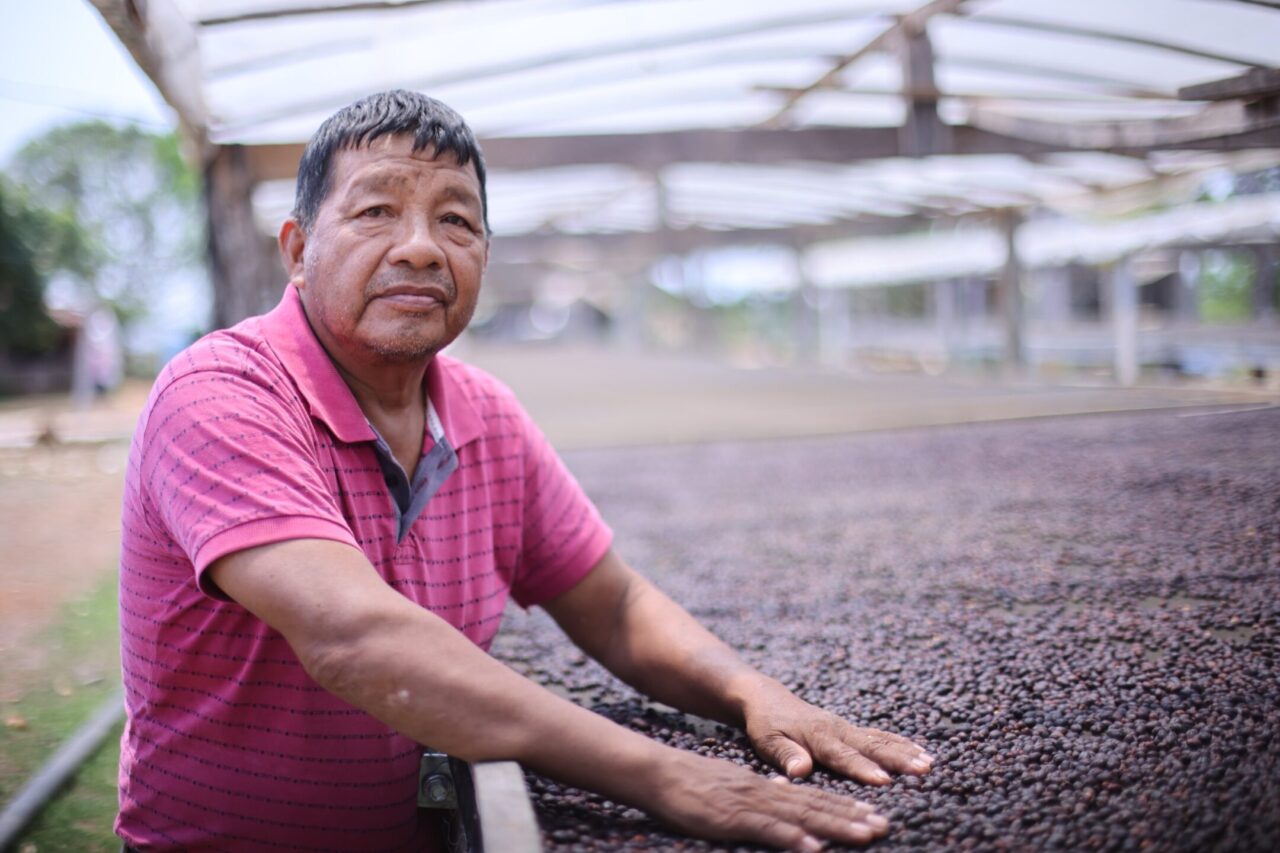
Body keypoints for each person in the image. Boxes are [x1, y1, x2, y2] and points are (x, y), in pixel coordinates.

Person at [116, 90, 932, 852]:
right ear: (298, 249)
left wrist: (750, 690)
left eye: (456, 220)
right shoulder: (223, 392)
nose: (421, 246)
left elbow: (614, 607)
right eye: (375, 212)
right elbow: (352, 636)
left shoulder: (486, 414)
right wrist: (666, 775)